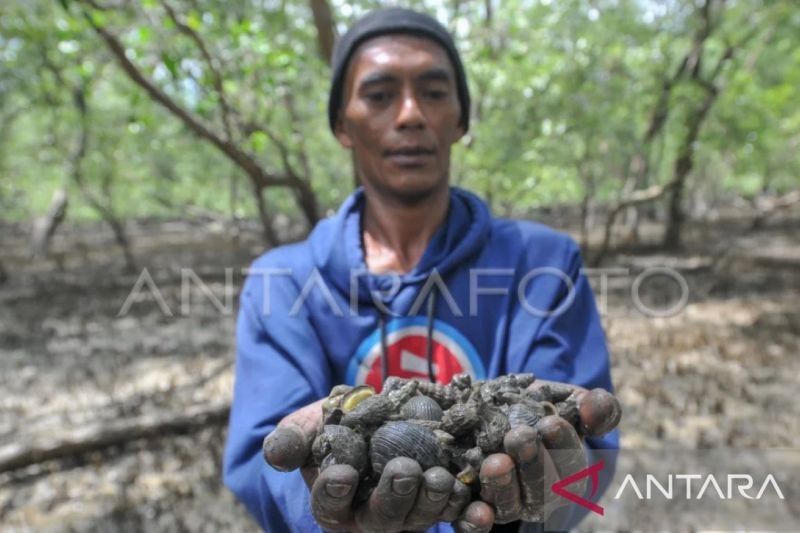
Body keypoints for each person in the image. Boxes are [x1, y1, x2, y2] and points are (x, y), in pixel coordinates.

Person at [223, 7, 620, 532]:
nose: (409, 114)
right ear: (342, 124)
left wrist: (546, 499)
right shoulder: (284, 281)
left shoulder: (542, 262)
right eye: (380, 94)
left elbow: (585, 452)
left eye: (433, 92)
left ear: (460, 119)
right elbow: (260, 460)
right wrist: (325, 510)